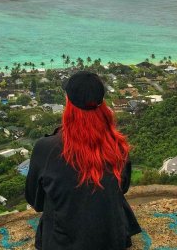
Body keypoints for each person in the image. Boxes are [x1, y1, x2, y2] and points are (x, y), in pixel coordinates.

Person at [25, 71, 141, 250]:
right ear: (101, 103)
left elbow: (36, 202)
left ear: (68, 102)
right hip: (112, 240)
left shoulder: (46, 148)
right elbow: (121, 189)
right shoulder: (117, 145)